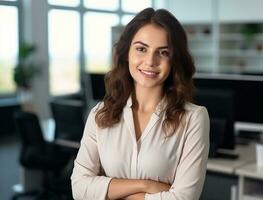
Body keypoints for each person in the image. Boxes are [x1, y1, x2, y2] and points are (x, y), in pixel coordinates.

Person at [71, 7, 209, 200]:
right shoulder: (100, 113)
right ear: (127, 52)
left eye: (163, 52)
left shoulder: (193, 118)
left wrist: (109, 192)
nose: (150, 61)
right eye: (141, 49)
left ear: (174, 60)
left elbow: (183, 198)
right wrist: (147, 185)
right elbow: (79, 188)